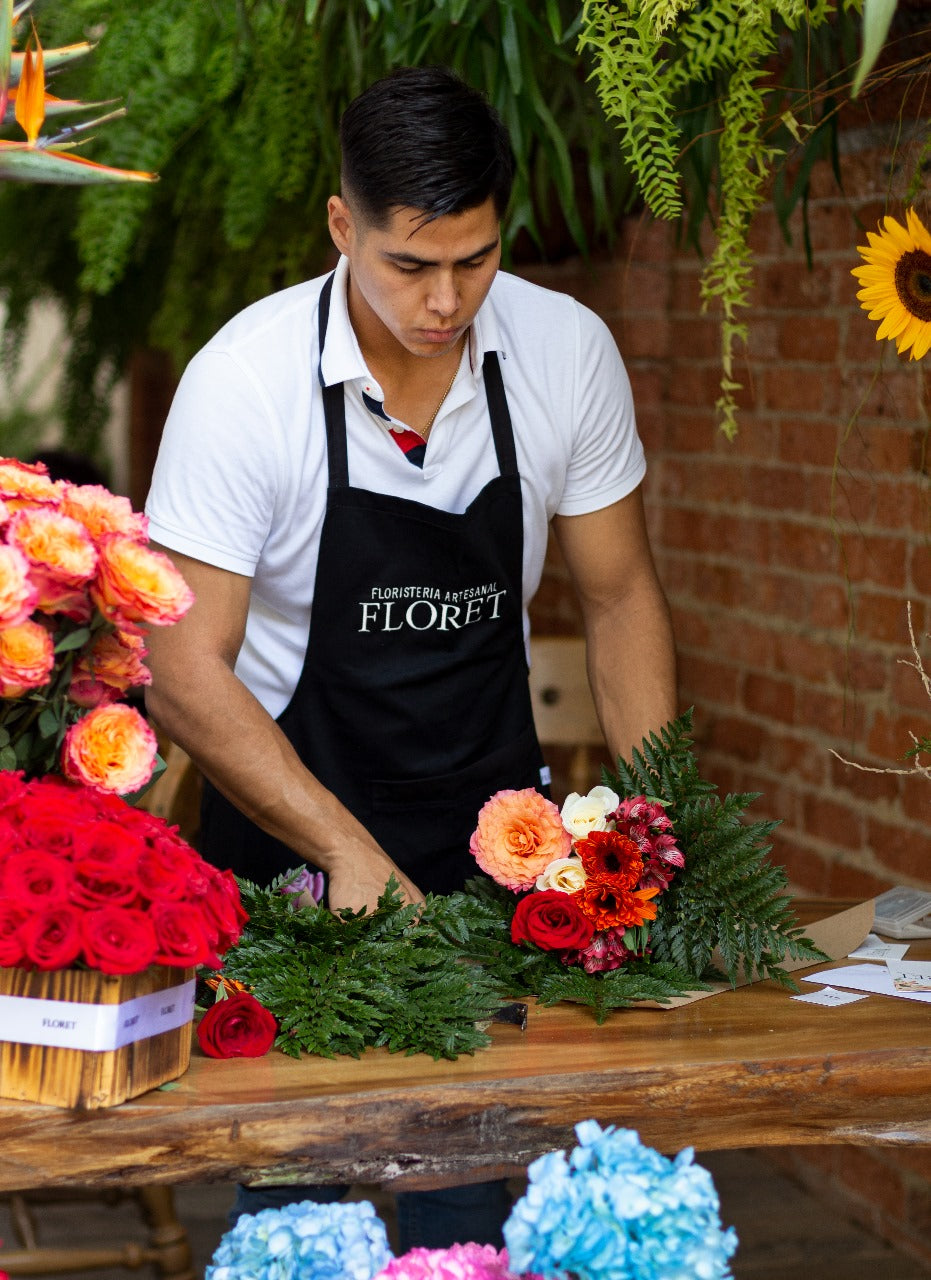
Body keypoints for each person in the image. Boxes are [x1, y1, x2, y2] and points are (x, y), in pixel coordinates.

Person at [144, 66, 677, 1248]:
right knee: (298, 1205)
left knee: (468, 1198)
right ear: (342, 226)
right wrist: (346, 851)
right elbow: (181, 665)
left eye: (474, 261)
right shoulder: (246, 381)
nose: (444, 300)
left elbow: (620, 592)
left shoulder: (565, 352)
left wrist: (649, 825)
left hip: (491, 841)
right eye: (409, 265)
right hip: (292, 851)